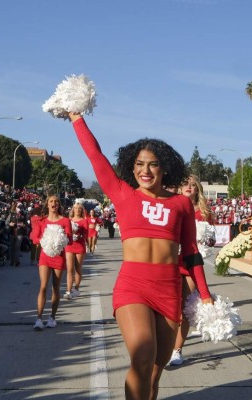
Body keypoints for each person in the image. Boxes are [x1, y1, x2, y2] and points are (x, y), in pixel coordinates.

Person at [68, 112, 208, 399]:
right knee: (143, 358)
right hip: (134, 286)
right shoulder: (122, 193)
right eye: (139, 164)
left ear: (165, 168)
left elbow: (191, 252)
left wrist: (204, 295)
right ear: (131, 168)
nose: (146, 171)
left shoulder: (181, 203)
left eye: (153, 165)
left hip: (169, 289)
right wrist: (76, 118)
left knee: (156, 372)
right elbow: (95, 156)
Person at [168, 175, 213, 366]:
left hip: (191, 263)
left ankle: (177, 350)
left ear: (197, 190)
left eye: (193, 185)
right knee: (170, 308)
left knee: (184, 310)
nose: (188, 186)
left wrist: (205, 242)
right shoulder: (171, 206)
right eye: (185, 183)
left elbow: (209, 239)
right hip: (170, 262)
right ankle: (166, 343)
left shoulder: (203, 212)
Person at [33, 195, 73, 331]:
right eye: (51, 201)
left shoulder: (66, 221)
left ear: (59, 205)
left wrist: (60, 239)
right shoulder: (42, 221)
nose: (54, 203)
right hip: (45, 256)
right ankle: (39, 318)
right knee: (43, 286)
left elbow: (69, 240)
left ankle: (52, 317)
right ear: (47, 204)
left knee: (55, 287)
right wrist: (45, 241)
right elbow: (35, 238)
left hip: (59, 257)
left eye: (56, 201)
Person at [64, 202, 89, 300]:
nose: (77, 210)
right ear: (73, 210)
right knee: (69, 269)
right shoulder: (68, 220)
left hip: (79, 246)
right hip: (70, 246)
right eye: (76, 208)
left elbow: (86, 234)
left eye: (79, 209)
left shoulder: (84, 221)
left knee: (78, 268)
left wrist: (79, 235)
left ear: (81, 210)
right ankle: (68, 291)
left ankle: (76, 289)